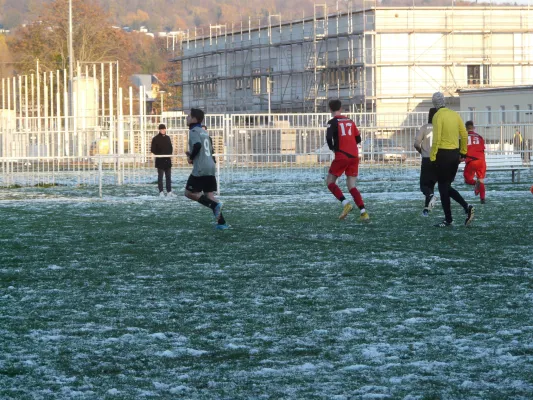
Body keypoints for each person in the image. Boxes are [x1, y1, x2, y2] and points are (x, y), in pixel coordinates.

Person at [430, 92, 474, 227]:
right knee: (445, 187)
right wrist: (463, 152)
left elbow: (437, 138)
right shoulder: (454, 114)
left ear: (434, 103)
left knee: (443, 188)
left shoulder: (437, 116)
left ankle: (453, 216)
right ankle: (463, 209)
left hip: (443, 154)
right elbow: (464, 134)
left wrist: (432, 156)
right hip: (454, 155)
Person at [184, 108, 229, 230]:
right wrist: (193, 155)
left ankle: (214, 206)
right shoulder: (205, 132)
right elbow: (208, 150)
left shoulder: (194, 131)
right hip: (210, 166)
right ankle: (222, 223)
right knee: (209, 195)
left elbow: (198, 146)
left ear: (194, 118)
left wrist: (191, 157)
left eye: (188, 116)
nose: (187, 118)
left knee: (188, 193)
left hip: (201, 168)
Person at [325, 99, 369, 221]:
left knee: (330, 182)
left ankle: (345, 204)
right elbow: (358, 139)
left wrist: (333, 149)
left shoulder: (332, 122)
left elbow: (329, 138)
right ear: (341, 108)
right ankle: (363, 212)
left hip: (342, 156)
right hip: (354, 156)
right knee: (351, 185)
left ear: (330, 109)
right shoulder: (350, 121)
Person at [414, 107, 438, 216]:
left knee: (423, 185)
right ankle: (426, 209)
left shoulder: (424, 128)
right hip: (437, 159)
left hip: (426, 158)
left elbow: (416, 144)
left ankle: (430, 199)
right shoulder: (440, 128)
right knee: (431, 183)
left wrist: (421, 151)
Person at [463, 121, 487, 204]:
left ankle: (476, 184)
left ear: (465, 128)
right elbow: (482, 149)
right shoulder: (479, 137)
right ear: (473, 127)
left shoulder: (464, 137)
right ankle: (482, 198)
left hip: (471, 161)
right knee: (481, 180)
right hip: (481, 160)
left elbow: (463, 150)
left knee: (467, 179)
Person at [150, 123, 174, 197]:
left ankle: (169, 191)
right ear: (159, 130)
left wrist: (169, 154)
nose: (163, 130)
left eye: (164, 129)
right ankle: (161, 192)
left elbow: (170, 147)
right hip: (160, 160)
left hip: (167, 160)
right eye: (162, 129)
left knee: (168, 177)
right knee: (160, 177)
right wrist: (160, 154)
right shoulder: (155, 138)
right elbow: (153, 149)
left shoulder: (168, 138)